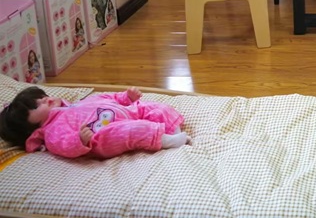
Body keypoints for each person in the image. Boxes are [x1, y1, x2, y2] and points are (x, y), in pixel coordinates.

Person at [0, 86, 190, 159]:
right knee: (130, 130)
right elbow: (62, 145)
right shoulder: (52, 131)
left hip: (125, 113)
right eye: (36, 106)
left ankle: (174, 130)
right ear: (31, 127)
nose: (44, 100)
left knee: (154, 107)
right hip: (103, 137)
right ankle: (166, 140)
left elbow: (105, 97)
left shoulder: (76, 103)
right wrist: (79, 140)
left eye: (42, 96)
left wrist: (126, 97)